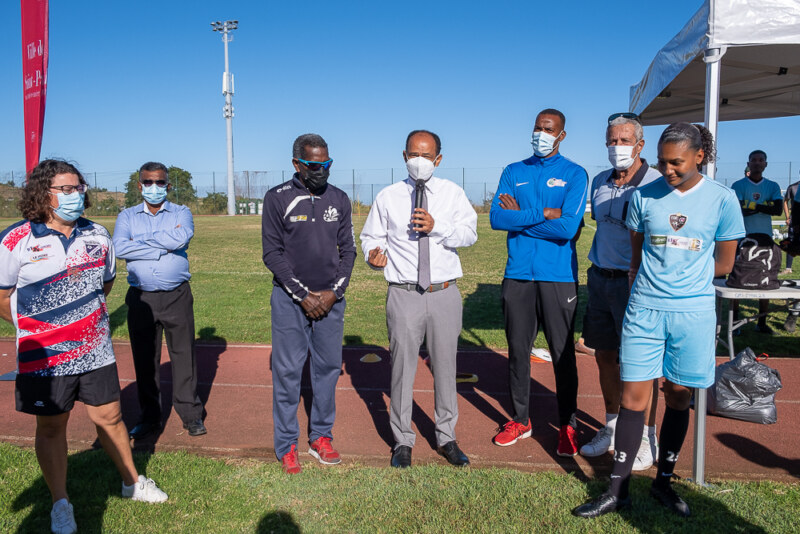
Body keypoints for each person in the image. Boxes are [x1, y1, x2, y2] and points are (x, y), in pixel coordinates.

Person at [572, 123, 744, 519]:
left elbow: (724, 262)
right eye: (664, 162)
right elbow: (637, 258)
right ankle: (618, 490)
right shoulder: (644, 196)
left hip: (693, 313)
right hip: (645, 310)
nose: (667, 170)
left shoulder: (722, 199)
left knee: (679, 395)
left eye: (676, 163)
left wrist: (687, 280)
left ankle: (664, 482)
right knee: (634, 399)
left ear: (700, 156)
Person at [0, 160, 167, 534]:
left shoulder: (98, 236)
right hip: (44, 357)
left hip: (95, 351)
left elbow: (104, 285)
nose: (76, 196)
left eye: (78, 188)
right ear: (44, 194)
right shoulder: (17, 239)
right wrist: (37, 326)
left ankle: (131, 482)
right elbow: (2, 293)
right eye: (65, 189)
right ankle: (61, 503)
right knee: (52, 428)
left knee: (110, 417)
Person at [360, 129, 477, 468]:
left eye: (426, 155)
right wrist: (372, 254)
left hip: (443, 292)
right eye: (414, 154)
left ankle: (446, 436)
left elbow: (470, 233)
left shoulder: (452, 194)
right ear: (404, 156)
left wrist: (437, 226)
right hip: (404, 293)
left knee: (445, 367)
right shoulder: (388, 197)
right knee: (402, 369)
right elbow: (370, 237)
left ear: (438, 159)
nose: (420, 161)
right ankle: (402, 441)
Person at [489, 108, 588, 457]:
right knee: (518, 352)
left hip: (558, 277)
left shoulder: (575, 174)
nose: (541, 134)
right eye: (537, 127)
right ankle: (520, 420)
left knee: (562, 355)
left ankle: (567, 425)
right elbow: (497, 219)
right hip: (517, 275)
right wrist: (542, 213)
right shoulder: (513, 171)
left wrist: (521, 218)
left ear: (561, 136)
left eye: (549, 129)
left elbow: (568, 228)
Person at [262, 133, 356, 474]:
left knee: (328, 369)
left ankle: (321, 436)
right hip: (290, 300)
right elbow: (272, 253)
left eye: (327, 164)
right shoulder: (277, 198)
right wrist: (302, 295)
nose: (322, 171)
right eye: (315, 165)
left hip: (331, 300)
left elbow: (349, 251)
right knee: (287, 372)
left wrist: (334, 293)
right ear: (297, 164)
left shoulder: (340, 199)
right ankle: (287, 444)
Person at [580, 113, 661, 470]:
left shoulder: (657, 182)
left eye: (624, 141)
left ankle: (646, 435)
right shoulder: (599, 180)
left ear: (640, 145)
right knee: (605, 356)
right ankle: (612, 427)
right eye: (612, 141)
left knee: (642, 363)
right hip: (600, 279)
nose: (617, 148)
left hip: (637, 283)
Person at [113, 162, 206, 440]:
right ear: (139, 185)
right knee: (144, 359)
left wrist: (140, 243)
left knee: (184, 357)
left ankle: (190, 415)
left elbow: (182, 237)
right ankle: (150, 418)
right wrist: (160, 247)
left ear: (168, 185)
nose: (155, 188)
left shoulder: (182, 212)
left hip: (177, 295)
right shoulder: (127, 215)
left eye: (161, 183)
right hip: (141, 298)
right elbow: (119, 247)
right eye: (149, 182)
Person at [730, 151, 783, 334]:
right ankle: (734, 322)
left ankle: (761, 322)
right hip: (742, 238)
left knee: (764, 279)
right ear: (748, 163)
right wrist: (762, 207)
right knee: (736, 279)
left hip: (765, 240)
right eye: (754, 160)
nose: (757, 163)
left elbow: (777, 210)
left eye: (761, 160)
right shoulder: (738, 185)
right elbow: (738, 211)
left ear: (766, 164)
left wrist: (750, 205)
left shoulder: (773, 185)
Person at [781, 179, 799, 275]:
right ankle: (788, 268)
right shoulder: (793, 187)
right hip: (795, 220)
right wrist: (788, 217)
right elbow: (785, 201)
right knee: (791, 242)